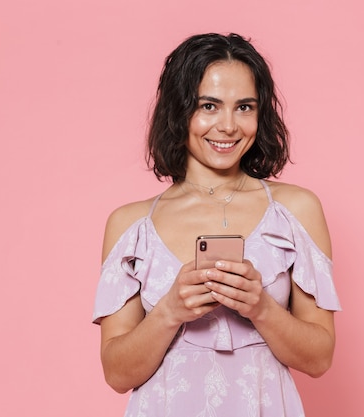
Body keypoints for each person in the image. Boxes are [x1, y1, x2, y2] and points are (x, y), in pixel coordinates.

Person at [93, 33, 341, 416]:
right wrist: (170, 310)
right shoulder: (132, 224)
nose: (228, 125)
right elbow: (116, 373)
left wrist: (261, 307)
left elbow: (319, 358)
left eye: (244, 107)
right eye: (209, 106)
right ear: (179, 111)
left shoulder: (295, 210)